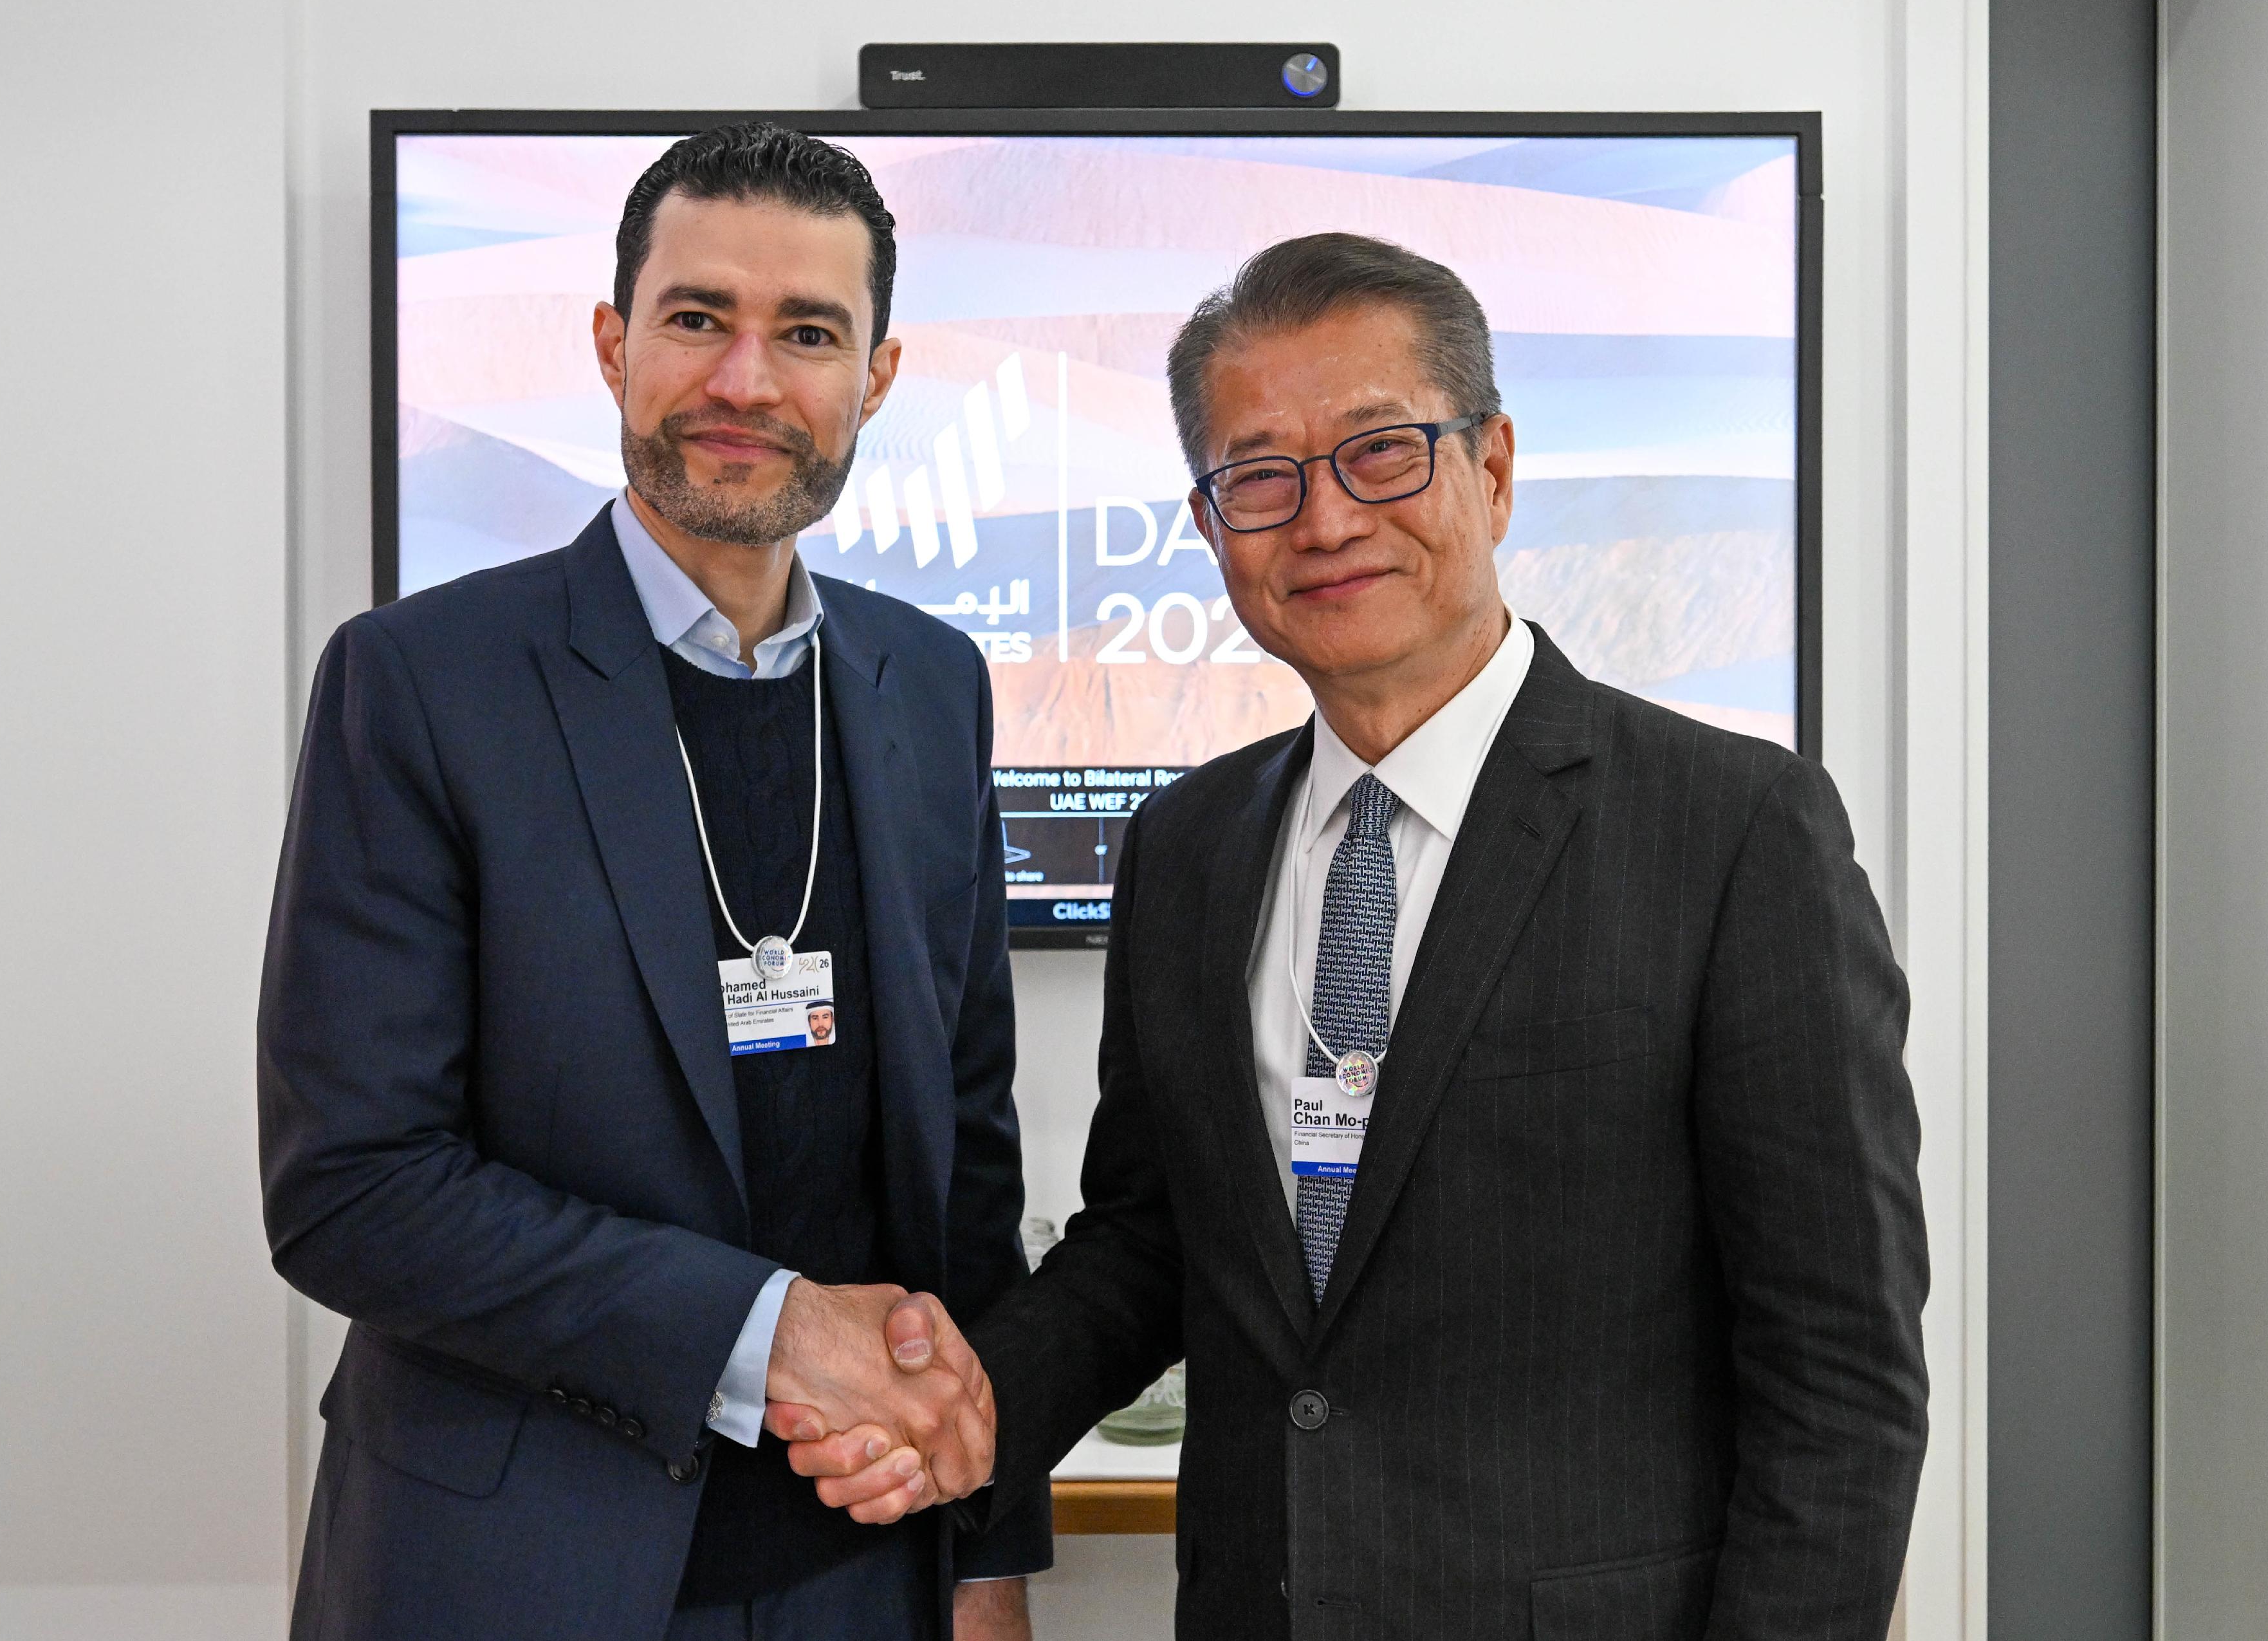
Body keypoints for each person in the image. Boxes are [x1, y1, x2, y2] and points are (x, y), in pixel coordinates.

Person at [780, 233, 1930, 1639]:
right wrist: (964, 1405)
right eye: (1259, 476)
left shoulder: (1733, 828)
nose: (1322, 522)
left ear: (1491, 468)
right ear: (1206, 530)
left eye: (1380, 452)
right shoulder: (1186, 845)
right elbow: (1152, 1242)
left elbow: (1839, 1372)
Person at [259, 122, 1040, 1641]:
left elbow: (967, 1160)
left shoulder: (927, 682)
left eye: (806, 332)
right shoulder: (421, 681)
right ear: (615, 342)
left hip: (863, 1571)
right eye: (697, 319)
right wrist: (762, 1331)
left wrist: (986, 1546)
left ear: (874, 378)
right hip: (516, 1571)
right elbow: (350, 1185)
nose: (745, 382)